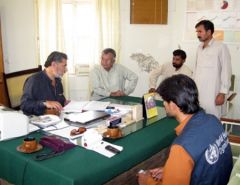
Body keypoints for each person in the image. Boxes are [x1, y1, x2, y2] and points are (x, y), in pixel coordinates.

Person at [138, 74, 233, 185]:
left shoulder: (181, 147)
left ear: (173, 105)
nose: (163, 104)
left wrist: (147, 182)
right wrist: (172, 171)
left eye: (164, 100)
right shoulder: (213, 120)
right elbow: (205, 163)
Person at [194, 20, 232, 118]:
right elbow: (196, 69)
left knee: (213, 119)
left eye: (200, 31)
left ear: (209, 32)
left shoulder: (221, 47)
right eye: (197, 32)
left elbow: (226, 71)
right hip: (198, 92)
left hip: (213, 93)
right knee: (198, 117)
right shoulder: (199, 48)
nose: (198, 34)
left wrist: (222, 93)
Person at [21, 51, 68, 115]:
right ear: (54, 64)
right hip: (38, 119)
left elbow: (60, 99)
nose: (66, 70)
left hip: (56, 117)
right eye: (64, 66)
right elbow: (25, 105)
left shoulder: (58, 80)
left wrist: (65, 102)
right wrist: (45, 103)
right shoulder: (34, 80)